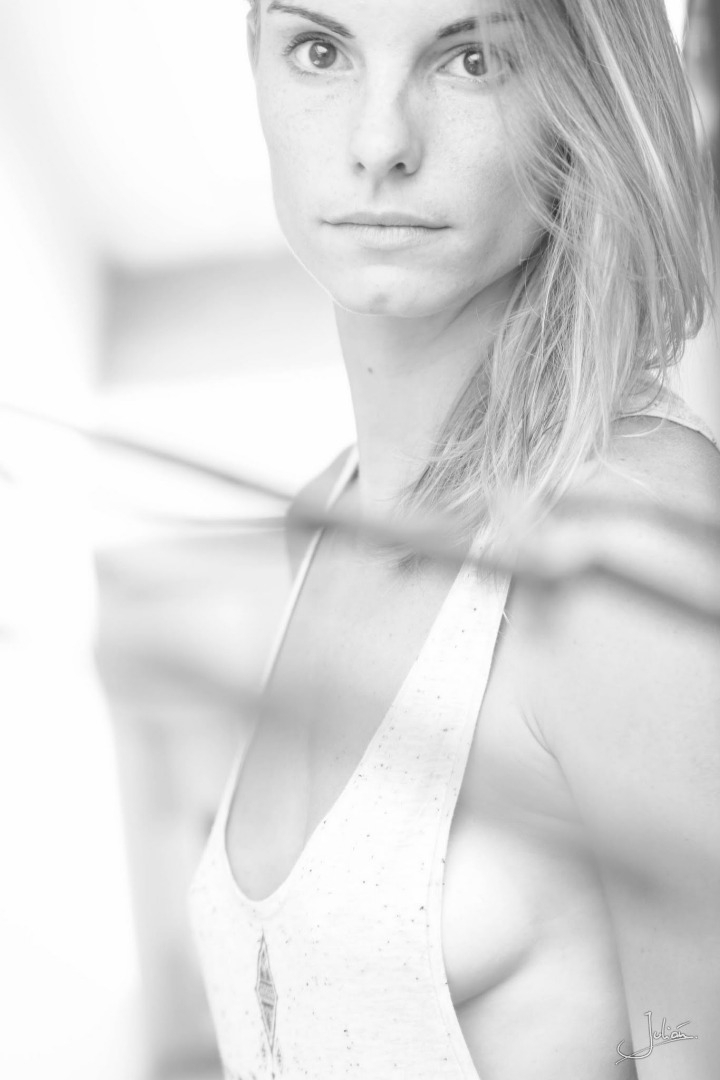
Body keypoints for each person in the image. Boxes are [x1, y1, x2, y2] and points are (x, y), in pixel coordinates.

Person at [188, 2, 720, 1077]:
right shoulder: (316, 524)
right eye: (320, 50)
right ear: (256, 66)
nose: (380, 140)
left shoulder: (629, 542)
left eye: (471, 59)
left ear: (581, 100)